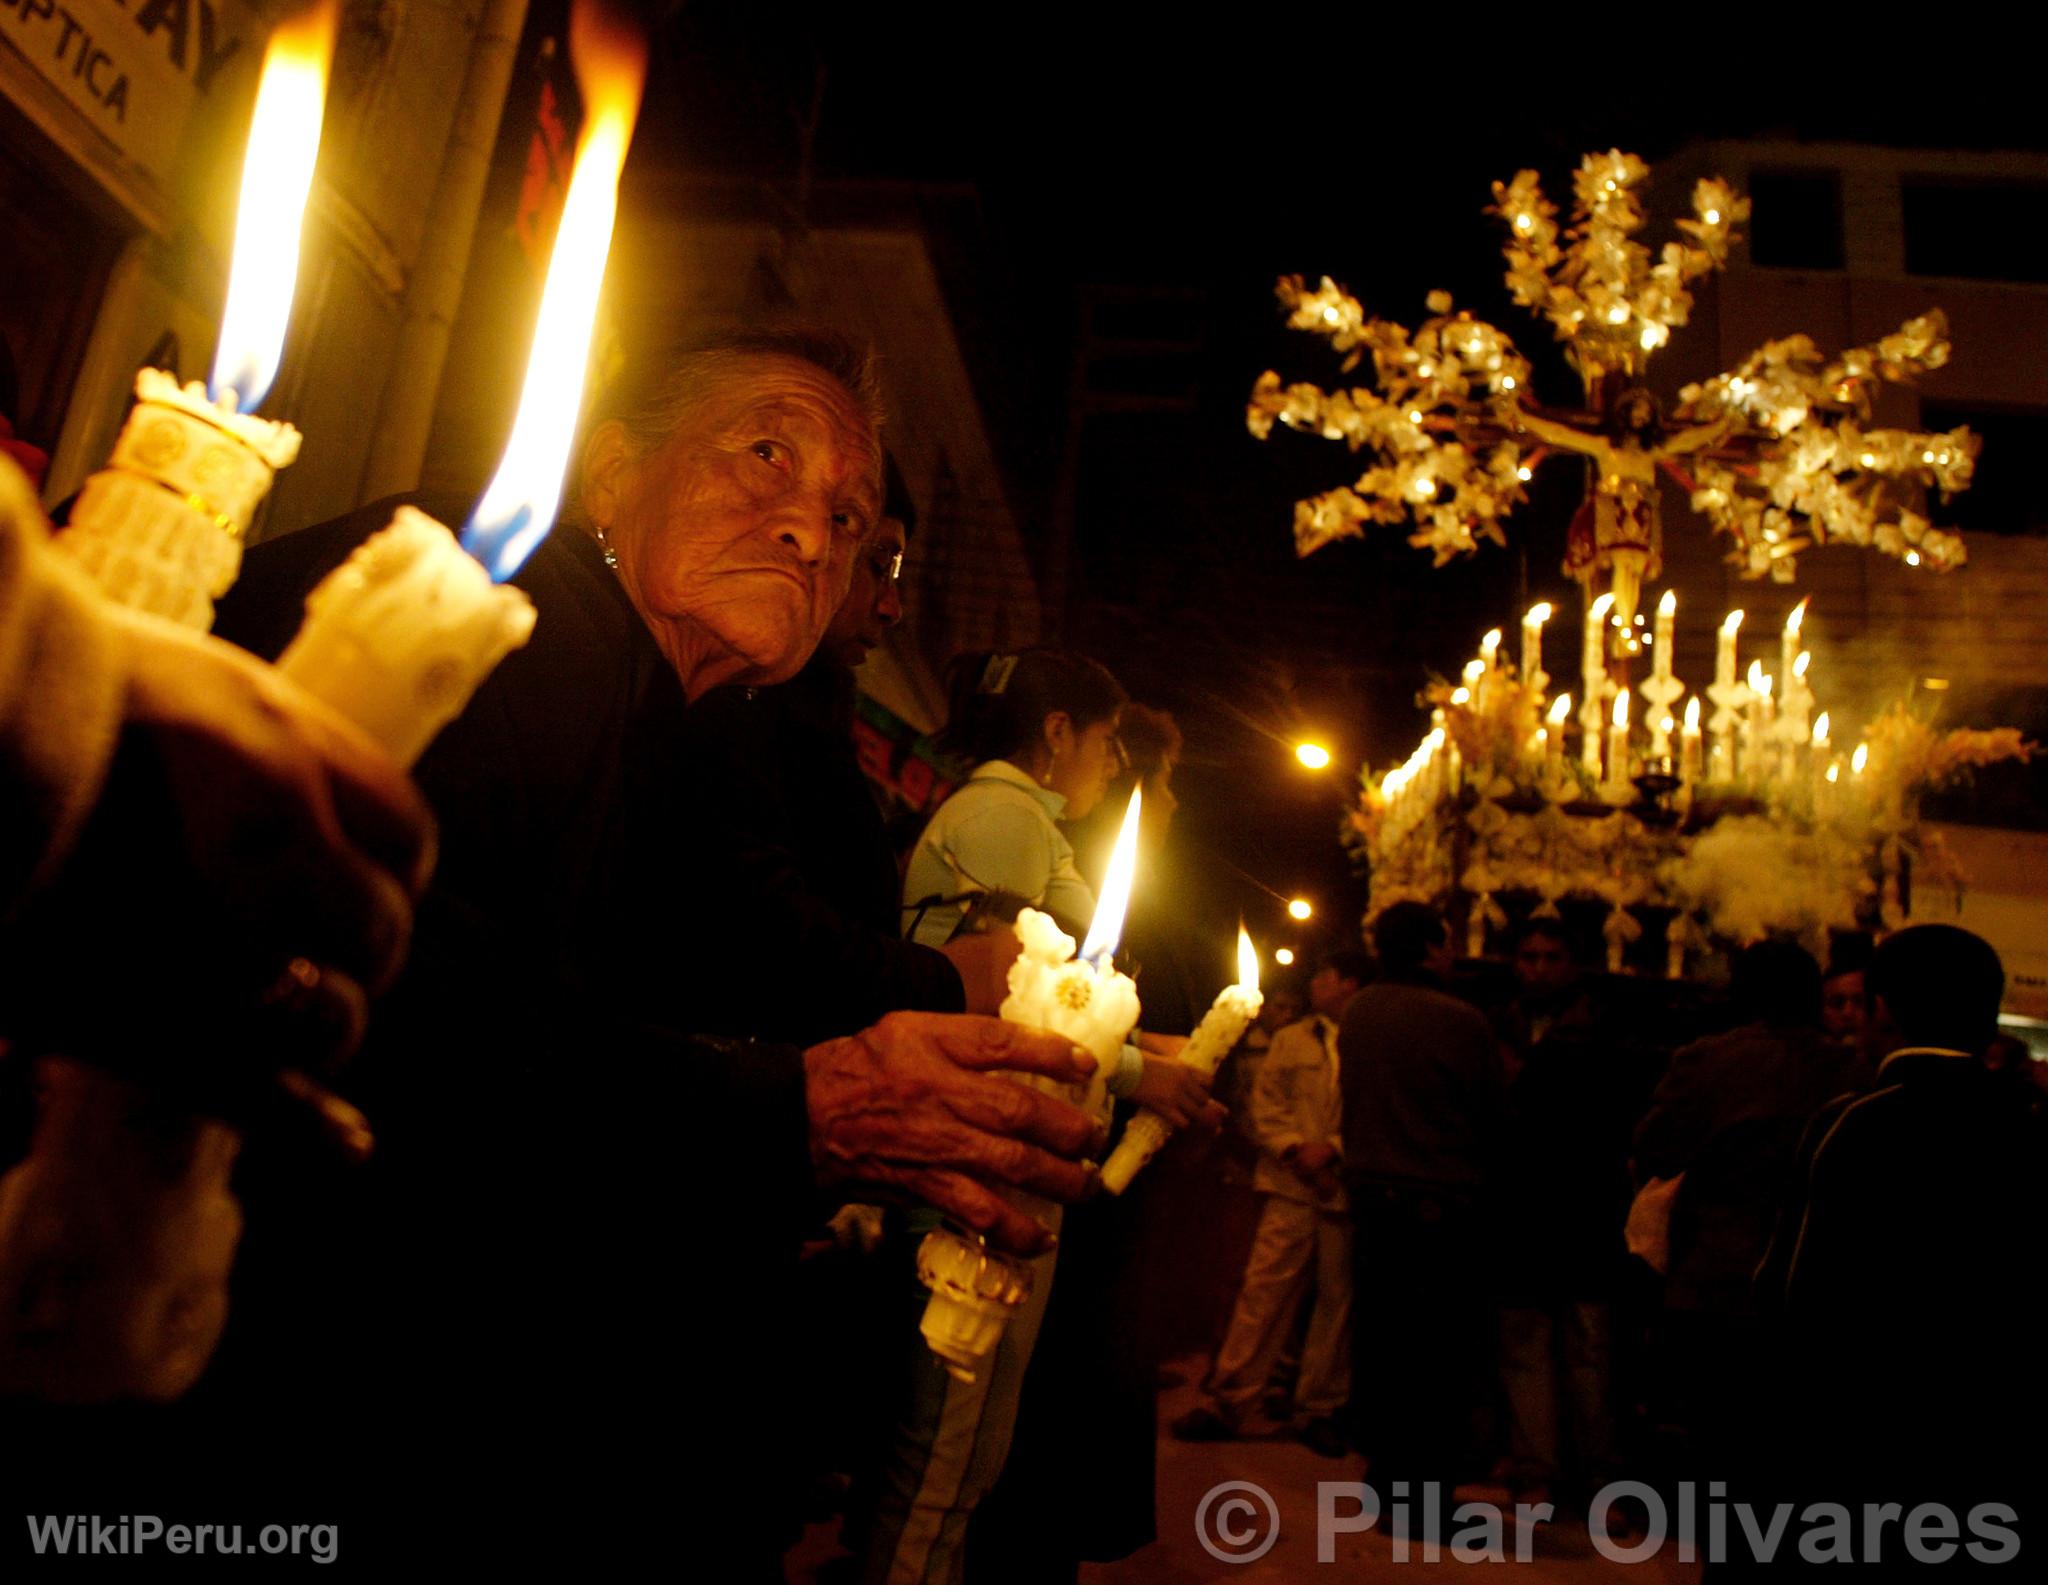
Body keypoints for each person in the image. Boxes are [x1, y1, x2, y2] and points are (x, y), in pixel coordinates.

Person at [185, 326, 1110, 1573]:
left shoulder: (668, 720)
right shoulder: (495, 615)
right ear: (612, 472)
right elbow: (384, 1001)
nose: (808, 532)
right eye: (764, 455)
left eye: (847, 521)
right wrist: (797, 1108)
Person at [860, 654, 1211, 1585]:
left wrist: (1153, 1053)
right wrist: (1140, 1071)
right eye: (1105, 742)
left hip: (1011, 1149)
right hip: (980, 1157)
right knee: (940, 1454)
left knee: (969, 1455)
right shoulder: (1006, 819)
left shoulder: (1019, 820)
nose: (1110, 765)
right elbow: (1017, 1007)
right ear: (1058, 732)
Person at [1765, 926, 2044, 1549]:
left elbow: (1792, 1294)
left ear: (1882, 1010)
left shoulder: (1853, 1123)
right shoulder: (2024, 1126)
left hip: (1857, 1436)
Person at [1630, 940, 1859, 1493]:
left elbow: (1657, 1148)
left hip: (1713, 1273)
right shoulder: (1849, 1066)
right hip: (1812, 1277)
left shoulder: (1707, 1059)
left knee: (1717, 1441)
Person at [1340, 901, 1504, 1517]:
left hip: (1371, 1203)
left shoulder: (1359, 1011)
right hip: (1440, 1206)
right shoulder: (1459, 1020)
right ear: (1433, 948)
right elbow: (1491, 1113)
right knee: (1437, 1359)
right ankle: (1426, 1500)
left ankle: (1385, 1481)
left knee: (1383, 1346)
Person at [1175, 947, 1367, 1458]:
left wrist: (1335, 1153)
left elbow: (1373, 1110)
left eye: (1327, 974)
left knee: (1337, 1305)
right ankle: (1231, 1400)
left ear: (1349, 982)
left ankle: (1319, 1408)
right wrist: (1296, 1151)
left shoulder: (1371, 1042)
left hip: (1344, 1189)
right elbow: (1267, 1104)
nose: (1317, 984)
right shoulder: (1290, 1039)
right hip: (1291, 1183)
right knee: (1263, 1293)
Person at [1492, 919, 1637, 1510]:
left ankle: (1600, 1476)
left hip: (1585, 1210)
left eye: (1551, 957)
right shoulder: (1498, 1027)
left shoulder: (1606, 1032)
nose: (1539, 968)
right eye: (1529, 957)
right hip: (1521, 1206)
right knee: (1525, 1344)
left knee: (1590, 1348)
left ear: (1572, 966)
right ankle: (1538, 1472)